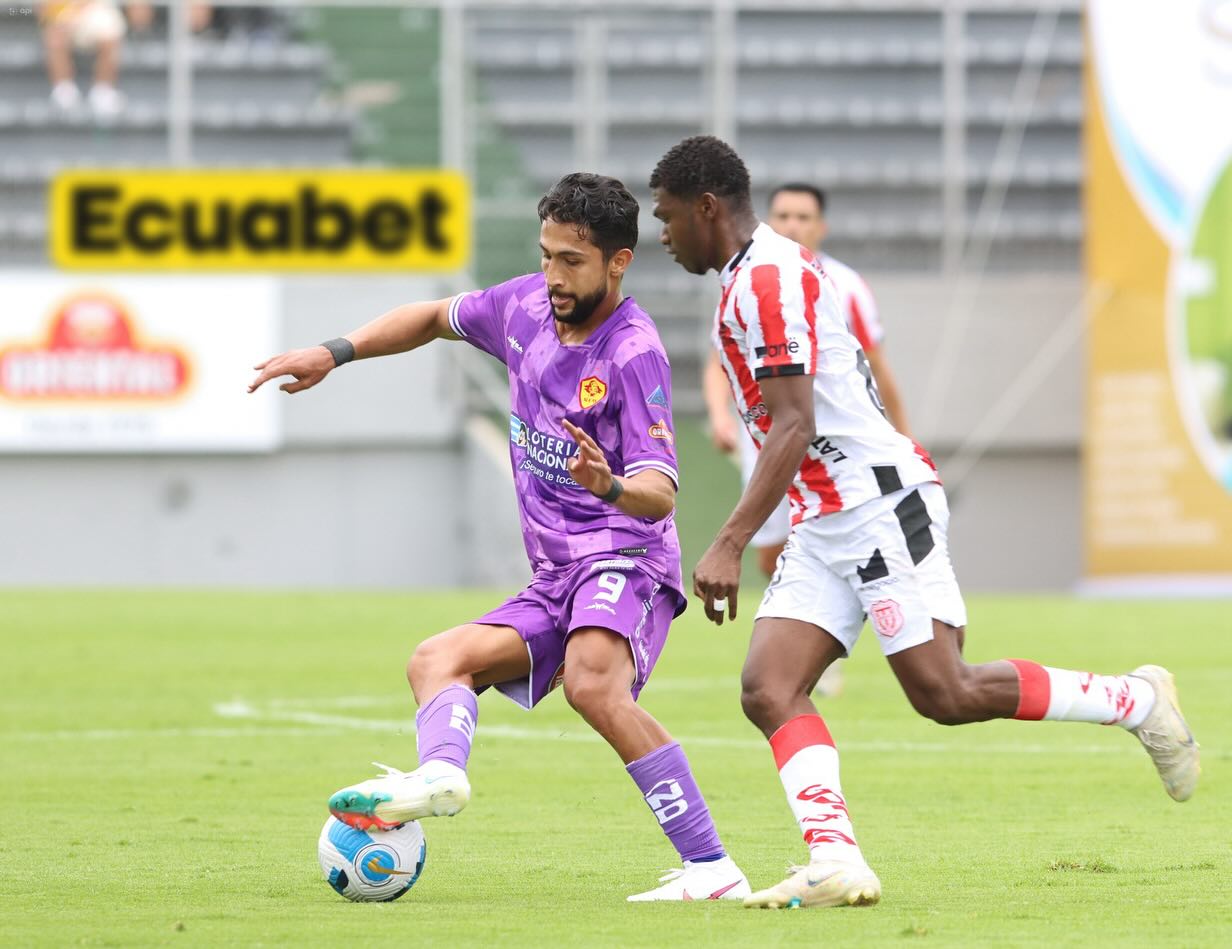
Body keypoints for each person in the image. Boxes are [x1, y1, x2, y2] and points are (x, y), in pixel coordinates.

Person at [649, 135, 1200, 910]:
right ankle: (834, 856)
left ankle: (1135, 700)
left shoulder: (767, 278)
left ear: (706, 207)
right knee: (769, 685)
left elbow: (794, 422)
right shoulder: (750, 273)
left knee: (945, 691)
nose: (663, 235)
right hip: (826, 514)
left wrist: (731, 538)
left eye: (668, 217)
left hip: (874, 505)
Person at [248, 173, 750, 903]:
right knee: (438, 658)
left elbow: (660, 494)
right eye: (546, 255)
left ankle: (712, 867)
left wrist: (606, 482)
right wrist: (335, 351)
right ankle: (442, 774)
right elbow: (430, 317)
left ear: (618, 262)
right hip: (554, 576)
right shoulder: (522, 307)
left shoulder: (632, 351)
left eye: (571, 261)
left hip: (625, 557)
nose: (552, 275)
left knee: (591, 684)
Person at [704, 182, 912, 584]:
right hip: (767, 442)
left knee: (837, 549)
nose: (792, 225)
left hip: (832, 444)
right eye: (783, 216)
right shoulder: (746, 279)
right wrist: (719, 416)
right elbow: (719, 360)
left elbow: (877, 368)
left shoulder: (846, 285)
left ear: (822, 227)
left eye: (803, 217)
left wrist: (905, 439)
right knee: (772, 558)